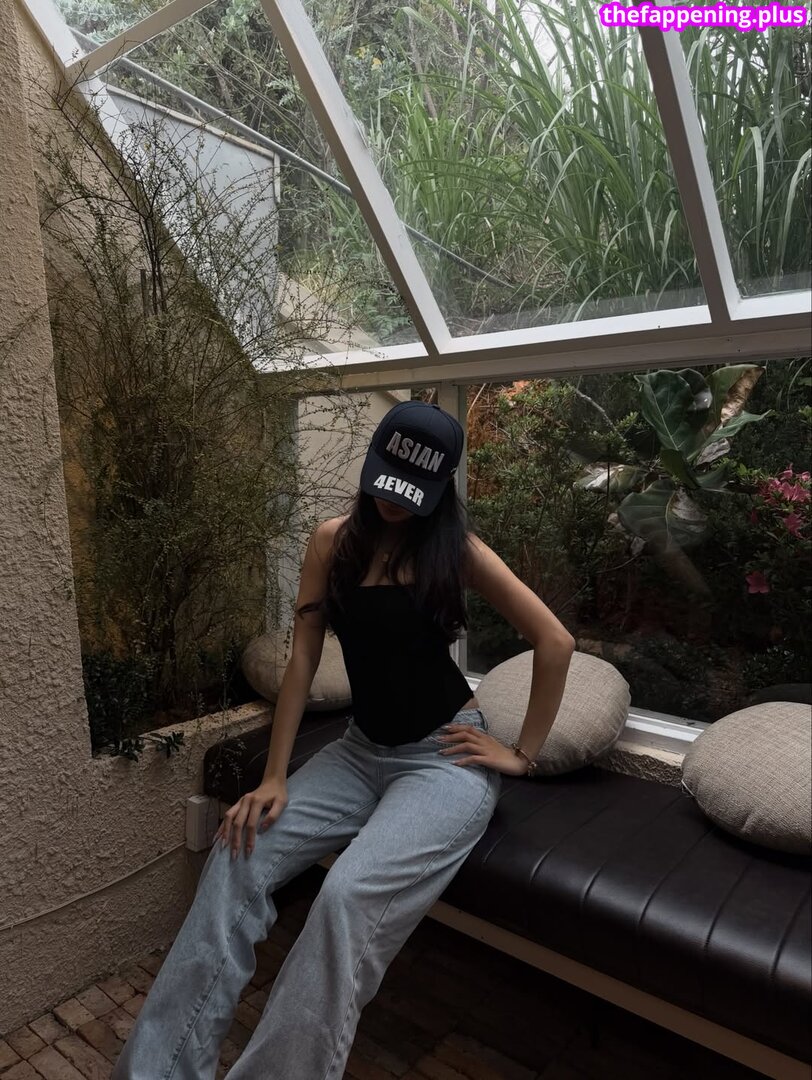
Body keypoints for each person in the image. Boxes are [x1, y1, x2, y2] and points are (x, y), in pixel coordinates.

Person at [111, 399, 575, 1080]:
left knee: (345, 897)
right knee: (238, 851)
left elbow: (555, 641)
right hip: (359, 753)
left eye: (410, 492)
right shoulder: (332, 542)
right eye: (386, 481)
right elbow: (303, 658)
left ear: (439, 489)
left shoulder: (458, 552)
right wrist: (273, 777)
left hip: (444, 762)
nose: (392, 501)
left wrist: (522, 755)